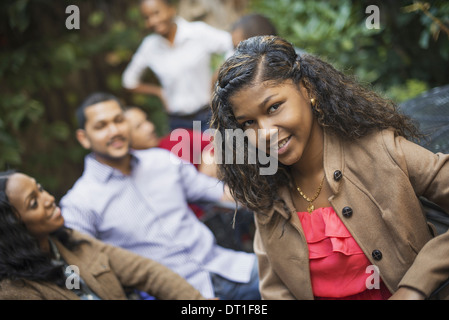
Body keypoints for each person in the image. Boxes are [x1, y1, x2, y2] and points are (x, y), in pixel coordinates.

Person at [210, 35, 449, 300]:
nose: (264, 133)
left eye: (274, 107)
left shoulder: (381, 152)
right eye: (248, 123)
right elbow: (274, 290)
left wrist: (414, 288)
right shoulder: (265, 192)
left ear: (308, 90)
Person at [60, 92, 260, 300]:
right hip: (171, 293)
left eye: (119, 121)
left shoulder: (162, 161)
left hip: (227, 267)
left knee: (292, 270)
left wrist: (269, 197)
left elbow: (217, 192)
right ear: (84, 138)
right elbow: (73, 269)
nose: (114, 131)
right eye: (101, 126)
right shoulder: (79, 203)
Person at [0, 171, 205, 300]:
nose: (49, 199)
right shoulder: (14, 291)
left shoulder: (72, 241)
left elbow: (146, 271)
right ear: (13, 229)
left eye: (41, 189)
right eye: (34, 203)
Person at [122, 0, 233, 131]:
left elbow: (233, 44)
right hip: (177, 122)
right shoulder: (149, 46)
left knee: (214, 151)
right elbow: (128, 81)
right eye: (147, 17)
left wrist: (218, 75)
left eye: (156, 13)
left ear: (171, 9)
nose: (152, 21)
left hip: (208, 115)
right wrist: (158, 92)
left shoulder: (197, 32)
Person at [124, 106, 216, 178]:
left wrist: (208, 158)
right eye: (138, 126)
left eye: (147, 120)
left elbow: (219, 143)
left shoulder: (178, 138)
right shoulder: (132, 169)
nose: (150, 127)